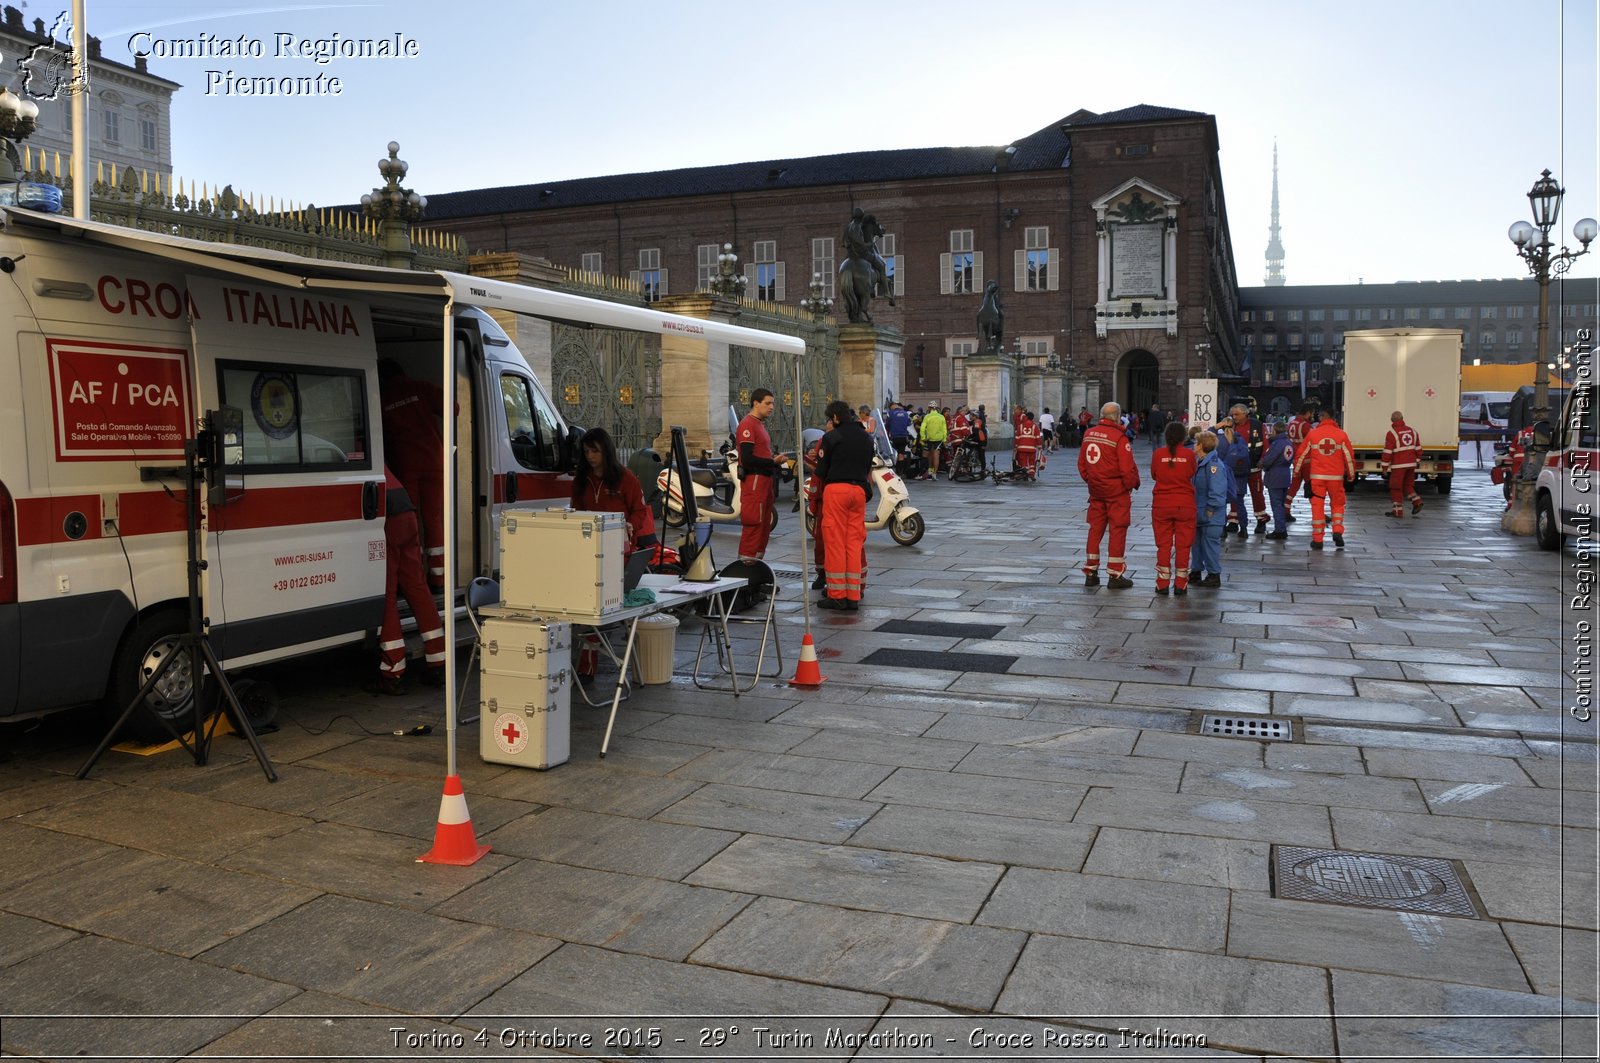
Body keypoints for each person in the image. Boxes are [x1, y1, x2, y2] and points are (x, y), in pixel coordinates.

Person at [372, 467, 446, 695]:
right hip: (407, 515)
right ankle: (438, 664)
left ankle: (393, 672)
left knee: (388, 595)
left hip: (388, 521)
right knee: (417, 589)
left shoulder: (359, 453)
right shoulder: (383, 465)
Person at [378, 360, 447, 592]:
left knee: (411, 522)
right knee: (433, 519)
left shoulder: (382, 398)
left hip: (405, 464)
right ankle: (438, 578)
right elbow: (454, 408)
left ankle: (412, 577)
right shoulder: (422, 387)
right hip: (434, 460)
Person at [815, 400, 875, 611]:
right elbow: (868, 466)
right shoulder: (866, 438)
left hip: (836, 490)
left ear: (835, 418)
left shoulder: (831, 438)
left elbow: (821, 471)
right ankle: (853, 595)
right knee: (854, 543)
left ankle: (838, 595)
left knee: (835, 543)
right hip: (858, 492)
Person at [1078, 401, 1140, 588]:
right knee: (1118, 530)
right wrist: (1133, 484)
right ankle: (1115, 573)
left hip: (1096, 490)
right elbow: (1127, 469)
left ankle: (1091, 571)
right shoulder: (1119, 438)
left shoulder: (1089, 434)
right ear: (1117, 416)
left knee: (1095, 530)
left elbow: (1082, 464)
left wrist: (1092, 480)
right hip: (1116, 492)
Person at [1294, 410, 1355, 550]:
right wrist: (1351, 475)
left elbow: (1301, 455)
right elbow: (1349, 458)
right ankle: (1338, 530)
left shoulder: (1313, 434)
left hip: (1317, 478)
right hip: (1336, 478)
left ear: (1322, 418)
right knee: (1338, 505)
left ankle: (1317, 540)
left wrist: (1296, 472)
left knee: (1317, 506)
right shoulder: (1341, 434)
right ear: (1333, 418)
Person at [1150, 420, 1197, 595]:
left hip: (1162, 504)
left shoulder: (1157, 454)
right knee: (1184, 546)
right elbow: (1192, 472)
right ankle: (1181, 583)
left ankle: (1162, 584)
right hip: (1185, 504)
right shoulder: (1189, 454)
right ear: (1183, 437)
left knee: (1163, 545)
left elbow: (1154, 474)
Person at [736, 388, 782, 560]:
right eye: (767, 403)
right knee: (754, 524)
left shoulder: (759, 424)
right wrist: (773, 462)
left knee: (763, 527)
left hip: (764, 481)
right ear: (756, 403)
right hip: (754, 481)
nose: (771, 407)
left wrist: (772, 459)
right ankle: (746, 569)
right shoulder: (747, 424)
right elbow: (747, 459)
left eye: (773, 404)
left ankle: (757, 567)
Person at [1190, 431, 1229, 588]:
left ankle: (1214, 574)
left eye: (1196, 442)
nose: (1193, 445)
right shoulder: (1201, 462)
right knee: (1197, 543)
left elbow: (1217, 490)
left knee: (1210, 544)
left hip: (1210, 513)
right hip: (1199, 511)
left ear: (1201, 446)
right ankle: (1196, 570)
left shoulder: (1213, 465)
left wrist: (1211, 509)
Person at [1228, 403, 1270, 535]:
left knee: (1257, 494)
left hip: (1254, 466)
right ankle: (1234, 520)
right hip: (1236, 468)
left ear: (1245, 413)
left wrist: (1263, 459)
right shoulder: (1230, 426)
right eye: (1233, 414)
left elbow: (1266, 444)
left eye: (1237, 414)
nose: (1234, 417)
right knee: (1234, 494)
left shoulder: (1258, 425)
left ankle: (1261, 520)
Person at [1381, 410, 1424, 518]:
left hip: (1398, 466)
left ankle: (1397, 511)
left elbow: (1387, 452)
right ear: (1402, 418)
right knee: (1408, 485)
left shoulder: (1392, 433)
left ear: (1392, 420)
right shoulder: (1413, 431)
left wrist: (1384, 468)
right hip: (1411, 464)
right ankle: (1417, 501)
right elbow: (1418, 448)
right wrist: (1417, 460)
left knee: (1395, 487)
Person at [1216, 415, 1251, 537]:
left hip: (1223, 475)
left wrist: (1215, 427)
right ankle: (1244, 529)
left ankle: (1222, 530)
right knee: (1239, 503)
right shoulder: (1240, 439)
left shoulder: (1218, 440)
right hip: (1239, 475)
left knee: (1222, 504)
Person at [1259, 421, 1293, 539]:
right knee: (1281, 504)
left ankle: (1280, 530)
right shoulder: (1288, 443)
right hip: (1285, 475)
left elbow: (1268, 460)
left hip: (1275, 476)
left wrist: (1262, 464)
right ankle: (1281, 527)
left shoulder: (1277, 444)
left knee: (1276, 504)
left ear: (1275, 430)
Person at [1283, 402, 1315, 523]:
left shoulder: (1292, 423)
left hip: (1296, 459)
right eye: (1311, 413)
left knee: (1294, 486)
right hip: (1307, 460)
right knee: (1311, 486)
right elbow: (1314, 440)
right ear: (1308, 413)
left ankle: (1286, 509)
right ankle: (1318, 512)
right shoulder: (1306, 426)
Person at [919, 404, 947, 480]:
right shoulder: (941, 417)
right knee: (936, 456)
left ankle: (927, 471)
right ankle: (934, 474)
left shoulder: (927, 416)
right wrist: (944, 440)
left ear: (929, 408)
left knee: (926, 455)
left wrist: (923, 437)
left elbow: (922, 428)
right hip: (938, 439)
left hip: (929, 439)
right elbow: (944, 429)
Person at [1015, 411, 1041, 478]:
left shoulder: (1020, 426)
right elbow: (1038, 437)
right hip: (1032, 448)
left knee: (1023, 461)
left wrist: (1016, 445)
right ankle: (1032, 474)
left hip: (1022, 448)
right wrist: (1039, 446)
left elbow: (1017, 437)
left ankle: (1024, 473)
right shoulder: (1035, 427)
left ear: (1026, 417)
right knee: (1032, 462)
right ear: (1032, 418)